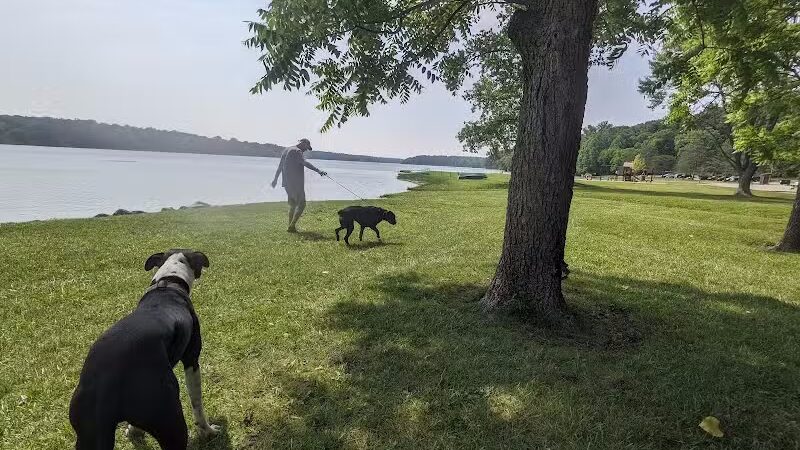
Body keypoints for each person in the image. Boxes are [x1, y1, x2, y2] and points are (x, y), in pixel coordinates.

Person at [271, 138, 327, 232]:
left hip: (287, 182)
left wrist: (275, 179)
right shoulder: (297, 151)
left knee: (293, 204)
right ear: (303, 143)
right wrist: (319, 171)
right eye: (307, 147)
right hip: (296, 183)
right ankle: (291, 226)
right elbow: (304, 162)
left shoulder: (287, 150)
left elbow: (280, 166)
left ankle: (290, 227)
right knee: (302, 204)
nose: (306, 150)